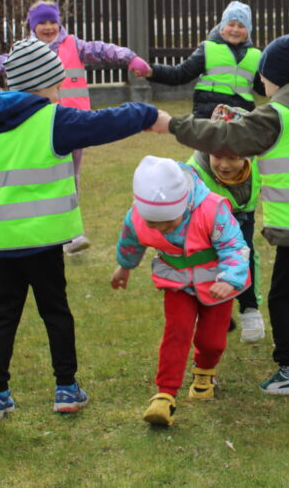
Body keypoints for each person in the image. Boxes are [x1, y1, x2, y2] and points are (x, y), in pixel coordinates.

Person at [0, 38, 168, 421]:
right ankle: (66, 388)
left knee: (1, 317)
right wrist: (147, 114)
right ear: (43, 84)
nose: (60, 89)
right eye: (56, 82)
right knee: (55, 311)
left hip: (1, 242)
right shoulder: (53, 120)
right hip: (42, 240)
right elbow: (104, 123)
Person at [164, 34, 289, 395]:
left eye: (263, 76)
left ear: (275, 77)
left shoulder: (276, 114)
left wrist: (171, 124)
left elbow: (226, 136)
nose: (261, 82)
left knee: (283, 296)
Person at [0, 0, 153, 254]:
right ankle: (37, 224)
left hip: (73, 125)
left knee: (70, 176)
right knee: (38, 177)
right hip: (38, 127)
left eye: (53, 22)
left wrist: (130, 58)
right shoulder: (24, 52)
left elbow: (103, 50)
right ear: (32, 26)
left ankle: (71, 234)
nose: (48, 27)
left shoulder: (75, 46)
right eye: (42, 23)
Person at [111, 156, 251, 427]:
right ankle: (165, 394)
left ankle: (204, 371)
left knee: (212, 341)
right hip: (176, 283)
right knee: (177, 332)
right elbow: (131, 239)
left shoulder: (212, 209)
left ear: (183, 204)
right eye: (153, 223)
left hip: (217, 285)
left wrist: (230, 279)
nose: (161, 228)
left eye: (169, 222)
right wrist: (124, 266)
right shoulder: (138, 215)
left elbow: (234, 246)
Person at [186, 105, 265, 343]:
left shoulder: (261, 161)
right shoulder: (194, 172)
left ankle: (250, 309)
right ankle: (209, 309)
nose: (224, 164)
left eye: (233, 157)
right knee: (208, 260)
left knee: (245, 254)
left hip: (243, 212)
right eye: (217, 156)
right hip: (207, 219)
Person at [144, 1, 264, 118]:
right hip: (208, 116)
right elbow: (181, 74)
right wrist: (152, 71)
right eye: (231, 24)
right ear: (222, 28)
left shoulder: (256, 55)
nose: (236, 29)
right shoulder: (208, 48)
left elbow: (265, 88)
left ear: (248, 31)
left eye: (241, 26)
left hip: (241, 118)